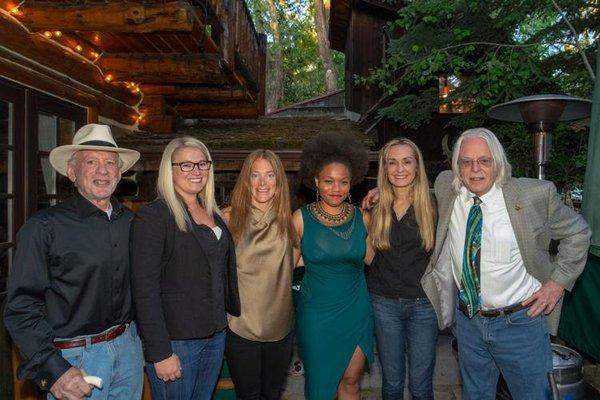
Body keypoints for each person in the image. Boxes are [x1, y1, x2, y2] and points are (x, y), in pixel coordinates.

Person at [420, 128, 591, 399]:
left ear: (497, 162)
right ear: (456, 167)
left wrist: (558, 282)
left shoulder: (533, 195)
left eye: (484, 161)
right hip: (469, 321)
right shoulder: (446, 186)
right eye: (466, 162)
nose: (475, 169)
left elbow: (578, 233)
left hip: (520, 323)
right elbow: (416, 192)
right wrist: (382, 195)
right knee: (475, 395)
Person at [4, 123, 144, 400]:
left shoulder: (133, 223)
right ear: (72, 172)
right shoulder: (43, 227)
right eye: (91, 162)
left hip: (128, 349)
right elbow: (20, 308)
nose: (103, 170)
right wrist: (55, 370)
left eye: (110, 163)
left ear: (119, 172)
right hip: (74, 358)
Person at [130, 136, 240, 400]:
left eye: (202, 164)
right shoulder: (154, 217)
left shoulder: (212, 213)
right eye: (186, 165)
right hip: (176, 341)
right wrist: (160, 352)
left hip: (215, 334)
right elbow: (144, 291)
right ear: (170, 169)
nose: (197, 171)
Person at [292, 132, 373, 400]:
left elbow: (374, 260)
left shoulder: (363, 217)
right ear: (316, 181)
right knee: (320, 386)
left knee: (351, 381)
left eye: (343, 182)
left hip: (356, 309)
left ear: (352, 184)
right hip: (316, 314)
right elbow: (284, 270)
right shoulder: (300, 219)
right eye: (328, 181)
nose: (336, 188)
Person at [366, 138, 438, 400]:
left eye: (407, 161)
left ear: (417, 166)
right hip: (384, 303)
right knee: (392, 384)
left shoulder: (435, 204)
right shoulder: (374, 207)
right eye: (392, 163)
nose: (399, 169)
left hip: (424, 305)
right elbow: (368, 254)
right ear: (384, 169)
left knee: (420, 386)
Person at [222, 149, 296, 400]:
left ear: (279, 180)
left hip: (280, 327)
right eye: (255, 175)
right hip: (240, 326)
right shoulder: (227, 219)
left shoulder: (291, 221)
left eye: (269, 175)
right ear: (246, 180)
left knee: (273, 395)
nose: (263, 183)